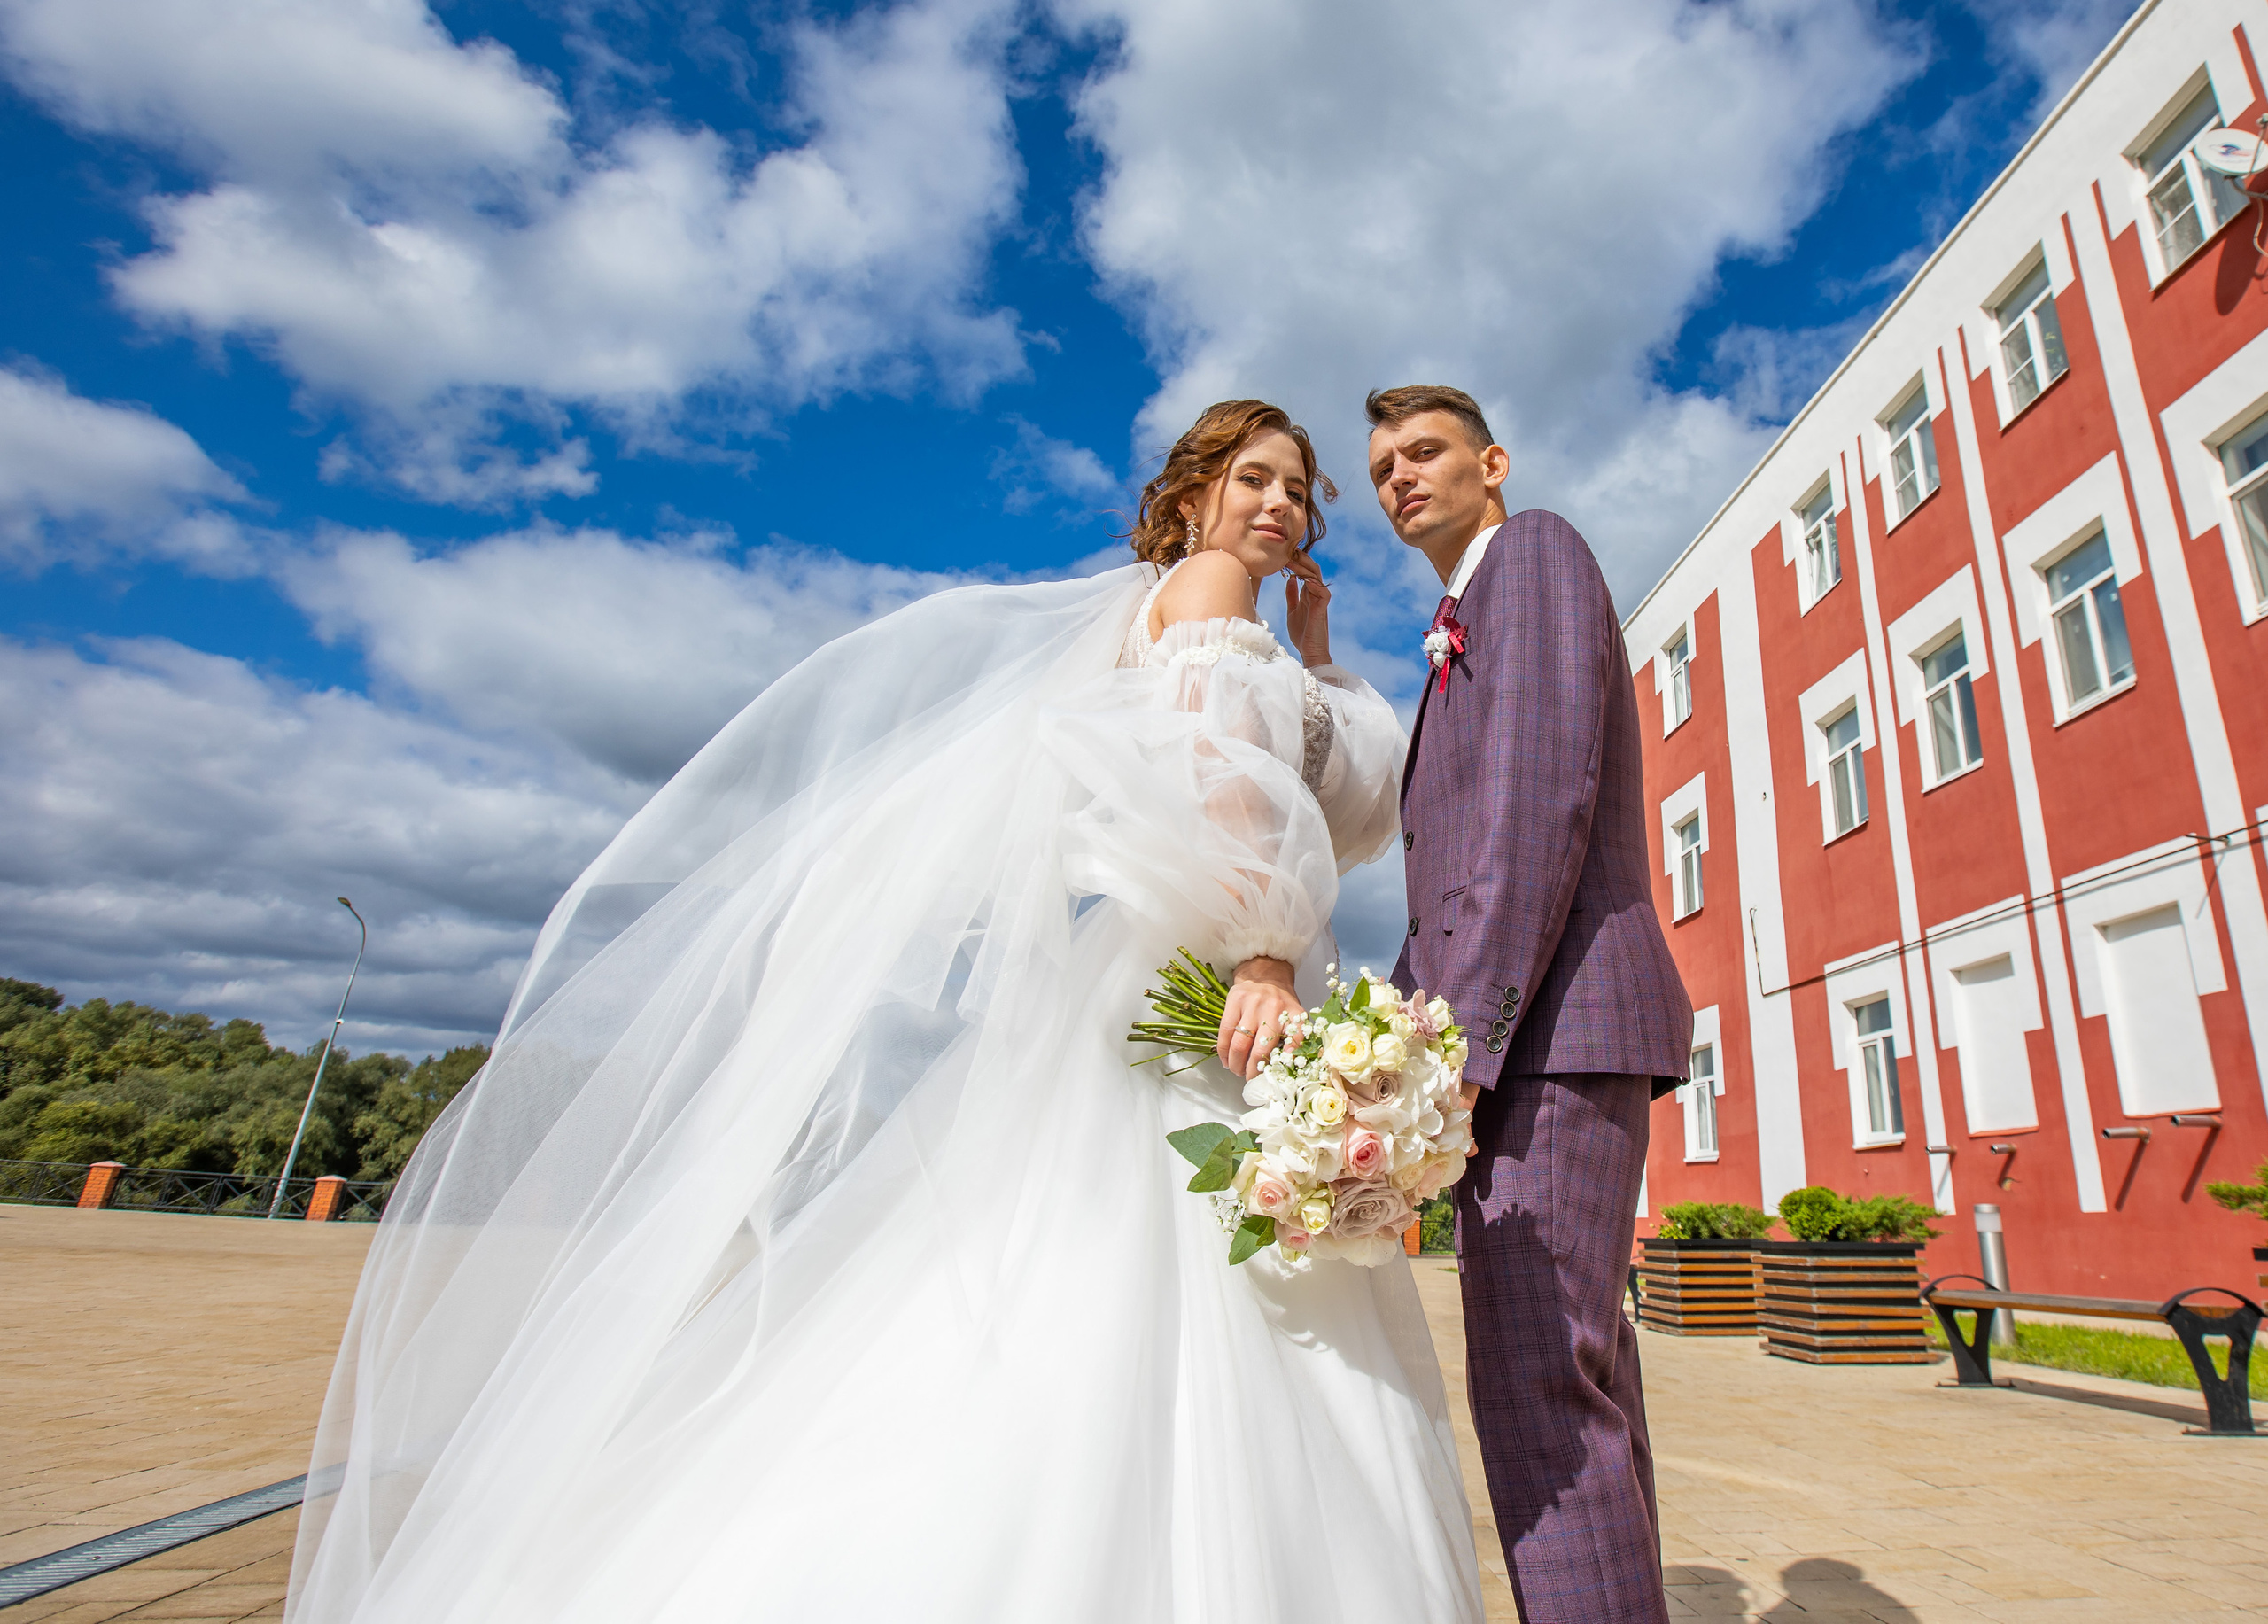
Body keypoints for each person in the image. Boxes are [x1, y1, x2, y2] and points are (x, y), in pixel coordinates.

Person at [284, 400, 1484, 1624]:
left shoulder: (1210, 614)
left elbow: (1324, 800)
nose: (1282, 506)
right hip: (1224, 973)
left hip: (1190, 967)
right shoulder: (1213, 582)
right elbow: (1222, 787)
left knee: (1104, 1270)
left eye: (1300, 490)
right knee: (1190, 1281)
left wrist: (1318, 655)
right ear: (1191, 503)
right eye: (1254, 481)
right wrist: (1268, 953)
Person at [1371, 385, 1693, 1624]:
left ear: (1493, 462)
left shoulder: (1538, 554)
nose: (1402, 475)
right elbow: (1451, 879)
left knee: (1538, 1389)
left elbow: (1536, 807)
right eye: (1386, 462)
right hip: (1526, 1038)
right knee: (1573, 1380)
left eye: (1428, 450)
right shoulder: (1465, 616)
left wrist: (1460, 1047)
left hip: (1549, 1038)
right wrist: (1384, 1047)